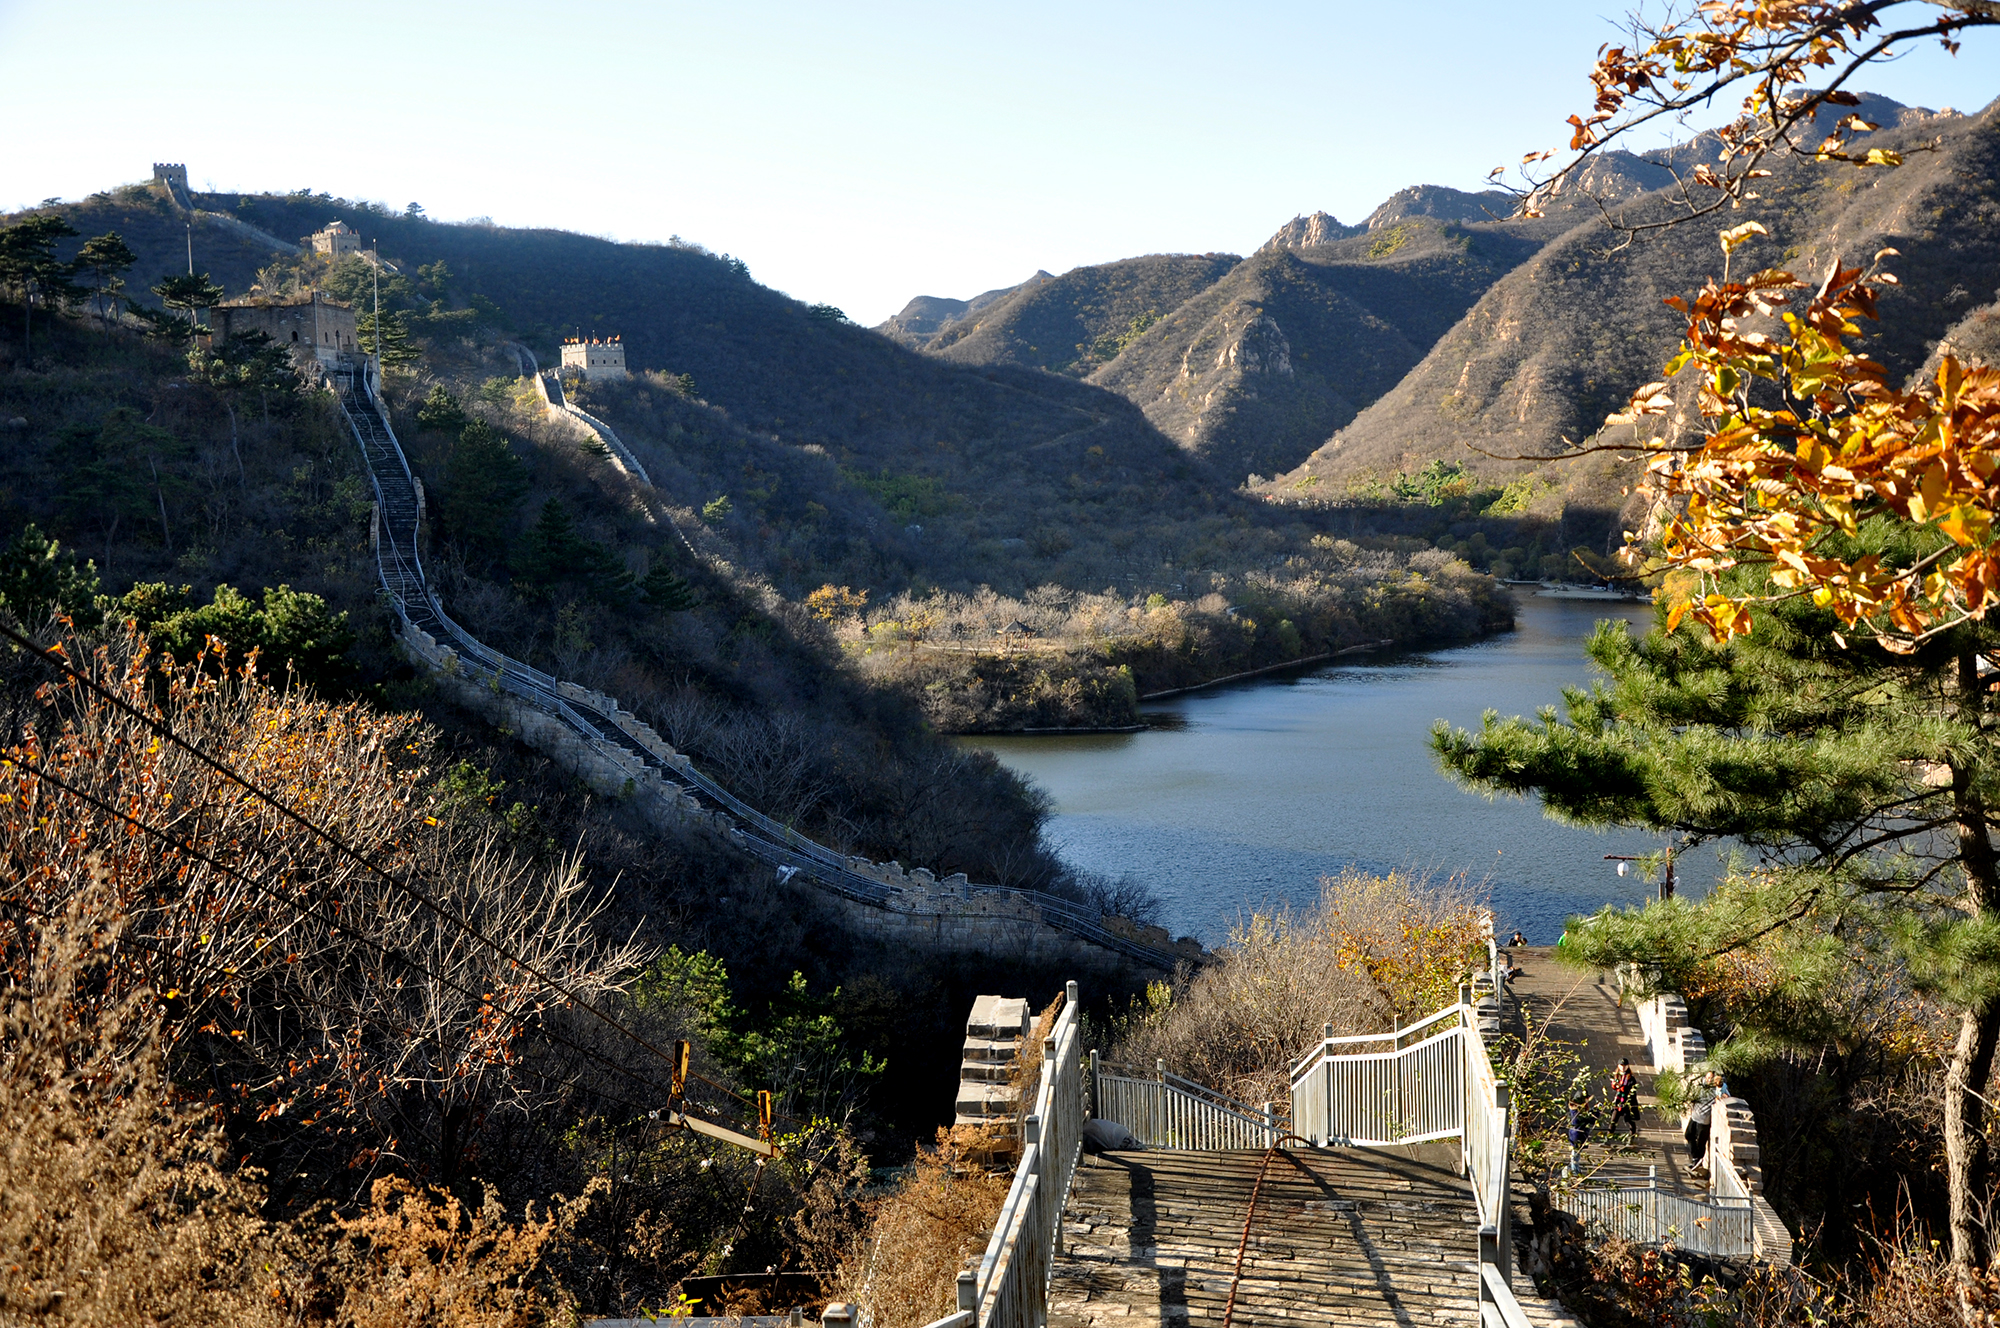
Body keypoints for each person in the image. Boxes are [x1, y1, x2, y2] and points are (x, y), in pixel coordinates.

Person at [1684, 1070, 1720, 1174]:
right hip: (1695, 1116)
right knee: (1688, 1135)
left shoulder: (1715, 1091)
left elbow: (1725, 1096)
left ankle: (1698, 1160)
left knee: (1701, 1142)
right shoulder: (1700, 1085)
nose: (1709, 1080)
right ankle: (1696, 1158)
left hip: (1704, 1120)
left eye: (1711, 1078)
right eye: (1708, 1078)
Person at [1608, 1059, 1641, 1143]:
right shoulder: (1617, 1076)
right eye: (1621, 1065)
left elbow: (1630, 1089)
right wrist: (1615, 1085)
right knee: (1613, 1120)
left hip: (1628, 1102)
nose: (1623, 1067)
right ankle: (1608, 1140)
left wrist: (1620, 1086)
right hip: (1619, 1101)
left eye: (1625, 1066)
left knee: (1630, 1121)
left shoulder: (1631, 1078)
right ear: (1618, 1066)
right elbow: (1615, 1086)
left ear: (1628, 1066)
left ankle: (1631, 1139)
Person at [1565, 1093, 1595, 1175]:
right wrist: (1595, 1111)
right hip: (1577, 1135)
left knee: (1576, 1153)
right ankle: (1574, 1171)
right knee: (1575, 1154)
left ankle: (1572, 1168)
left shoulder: (1576, 1110)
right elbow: (1589, 1119)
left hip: (1577, 1134)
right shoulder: (1577, 1112)